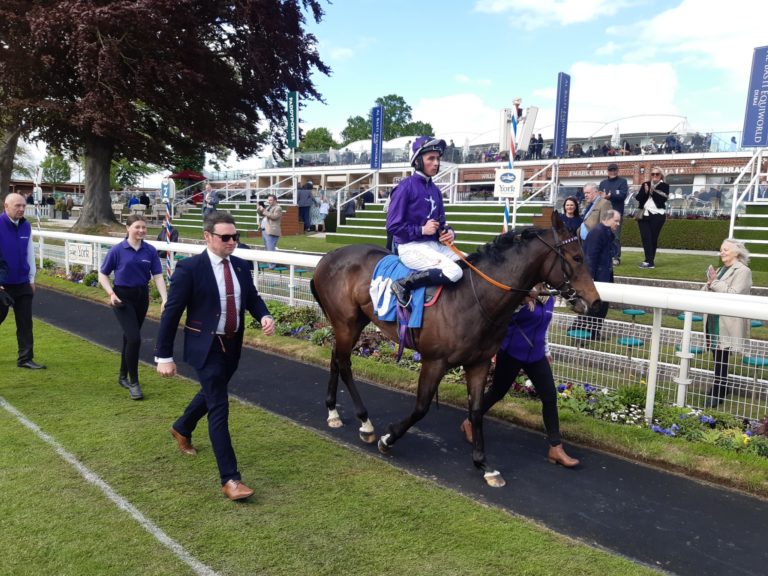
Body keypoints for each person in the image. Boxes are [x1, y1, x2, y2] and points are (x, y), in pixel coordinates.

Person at [154, 212, 276, 501]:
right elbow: (171, 314)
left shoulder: (241, 265)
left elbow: (251, 298)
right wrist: (163, 356)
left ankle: (182, 427)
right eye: (225, 237)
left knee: (212, 392)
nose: (232, 242)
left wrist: (264, 315)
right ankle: (230, 479)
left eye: (235, 237)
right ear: (207, 237)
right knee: (219, 405)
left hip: (232, 345)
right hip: (205, 347)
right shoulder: (190, 268)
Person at [459, 284, 579, 468]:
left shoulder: (549, 298)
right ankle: (469, 421)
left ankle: (556, 448)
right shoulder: (520, 294)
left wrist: (546, 351)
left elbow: (544, 327)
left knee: (549, 397)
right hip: (512, 353)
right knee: (497, 392)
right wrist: (522, 301)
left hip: (536, 355)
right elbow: (502, 314)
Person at [98, 215, 168, 400]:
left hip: (141, 297)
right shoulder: (117, 250)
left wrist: (164, 299)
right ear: (128, 228)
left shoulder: (150, 250)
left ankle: (122, 376)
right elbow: (103, 274)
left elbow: (158, 276)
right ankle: (134, 382)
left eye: (144, 227)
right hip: (122, 298)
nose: (141, 230)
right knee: (134, 339)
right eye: (137, 227)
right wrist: (111, 294)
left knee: (129, 338)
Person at [386, 136, 461, 307]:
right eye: (431, 159)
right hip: (410, 247)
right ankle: (403, 284)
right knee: (454, 271)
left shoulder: (436, 190)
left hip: (434, 246)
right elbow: (392, 226)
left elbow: (441, 223)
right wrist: (421, 230)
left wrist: (449, 233)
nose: (436, 163)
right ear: (418, 161)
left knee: (470, 263)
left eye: (438, 159)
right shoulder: (404, 187)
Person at [702, 239, 752, 408]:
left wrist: (714, 282)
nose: (722, 252)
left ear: (736, 252)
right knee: (717, 355)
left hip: (727, 321)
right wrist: (709, 283)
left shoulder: (743, 271)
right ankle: (721, 386)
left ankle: (719, 390)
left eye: (725, 250)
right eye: (721, 249)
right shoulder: (721, 270)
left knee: (721, 355)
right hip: (714, 318)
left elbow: (733, 293)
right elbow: (706, 290)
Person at [0, 193, 45, 369]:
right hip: (3, 284)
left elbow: (30, 253)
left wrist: (31, 278)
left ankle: (25, 359)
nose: (21, 209)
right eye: (17, 206)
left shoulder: (26, 226)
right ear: (6, 206)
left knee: (26, 323)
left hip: (22, 282)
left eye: (23, 206)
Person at [635, 166, 669, 269]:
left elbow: (662, 200)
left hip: (657, 215)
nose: (654, 176)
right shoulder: (645, 184)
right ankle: (648, 261)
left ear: (661, 175)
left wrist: (651, 191)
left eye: (657, 174)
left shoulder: (664, 186)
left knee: (653, 238)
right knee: (646, 238)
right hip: (644, 214)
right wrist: (645, 192)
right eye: (652, 174)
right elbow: (638, 198)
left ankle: (649, 261)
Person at [599, 163, 629, 266]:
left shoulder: (622, 181)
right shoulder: (603, 183)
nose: (612, 172)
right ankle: (605, 256)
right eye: (610, 170)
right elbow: (600, 197)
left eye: (614, 170)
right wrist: (614, 193)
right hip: (605, 214)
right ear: (607, 172)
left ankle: (616, 257)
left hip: (616, 214)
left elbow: (623, 195)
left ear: (617, 170)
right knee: (603, 236)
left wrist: (610, 195)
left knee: (615, 237)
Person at [257, 194, 282, 268]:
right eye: (268, 200)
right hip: (264, 230)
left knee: (270, 248)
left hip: (272, 231)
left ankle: (272, 265)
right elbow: (262, 214)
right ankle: (270, 264)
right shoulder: (268, 207)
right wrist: (259, 208)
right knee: (267, 248)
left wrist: (264, 210)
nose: (269, 201)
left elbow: (274, 217)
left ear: (275, 200)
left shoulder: (278, 208)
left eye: (270, 200)